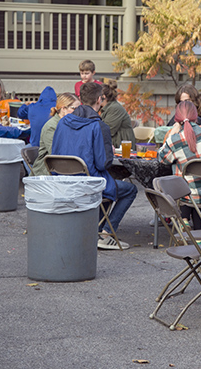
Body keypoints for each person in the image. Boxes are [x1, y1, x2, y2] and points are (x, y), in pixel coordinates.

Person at [51, 82, 137, 250]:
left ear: (81, 99)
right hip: (88, 182)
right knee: (129, 189)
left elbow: (55, 152)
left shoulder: (62, 122)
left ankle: (95, 229)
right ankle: (105, 234)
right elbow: (103, 163)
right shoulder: (99, 126)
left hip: (61, 181)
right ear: (99, 99)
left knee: (106, 183)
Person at [157, 100, 201, 229]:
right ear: (196, 116)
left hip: (190, 196)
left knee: (181, 173)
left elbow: (162, 159)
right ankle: (198, 230)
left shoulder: (174, 140)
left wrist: (173, 132)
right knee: (193, 182)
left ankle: (183, 221)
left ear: (176, 119)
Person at [31, 93, 79, 177]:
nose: (79, 112)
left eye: (80, 109)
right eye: (75, 109)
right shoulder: (51, 126)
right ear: (63, 108)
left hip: (65, 167)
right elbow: (56, 154)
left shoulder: (71, 123)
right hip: (46, 172)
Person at [100, 80, 136, 147]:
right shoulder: (105, 107)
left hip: (123, 145)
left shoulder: (114, 108)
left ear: (103, 96)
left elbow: (107, 130)